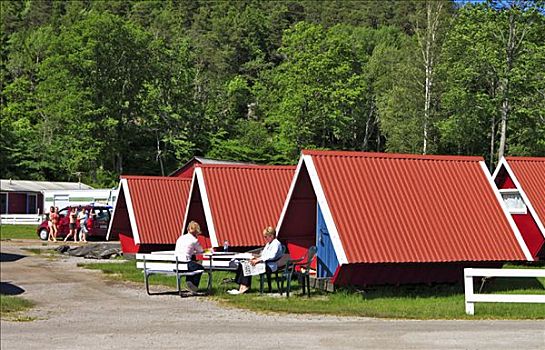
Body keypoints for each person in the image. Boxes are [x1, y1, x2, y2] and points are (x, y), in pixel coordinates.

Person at [227, 226, 282, 295]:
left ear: (272, 236)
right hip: (264, 262)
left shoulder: (276, 244)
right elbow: (263, 254)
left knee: (247, 266)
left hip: (270, 265)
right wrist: (254, 257)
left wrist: (258, 260)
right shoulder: (269, 244)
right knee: (243, 264)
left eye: (266, 237)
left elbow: (271, 256)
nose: (265, 238)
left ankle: (245, 286)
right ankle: (242, 285)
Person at [174, 221, 205, 294]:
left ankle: (190, 283)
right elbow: (200, 251)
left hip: (177, 263)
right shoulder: (194, 240)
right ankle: (193, 286)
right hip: (186, 262)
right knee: (200, 267)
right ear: (197, 232)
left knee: (193, 265)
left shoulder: (180, 238)